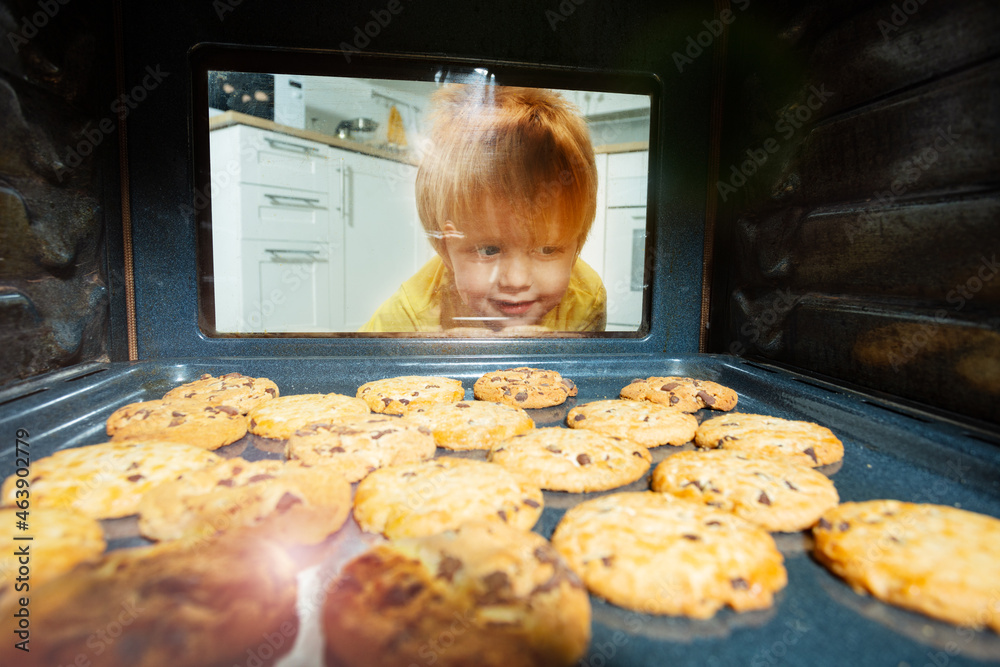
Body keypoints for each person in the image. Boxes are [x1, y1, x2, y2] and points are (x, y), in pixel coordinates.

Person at [359, 83, 606, 333]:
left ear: (577, 246)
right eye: (488, 249)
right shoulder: (410, 313)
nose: (516, 281)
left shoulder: (586, 299)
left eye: (547, 248)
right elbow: (353, 365)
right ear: (445, 248)